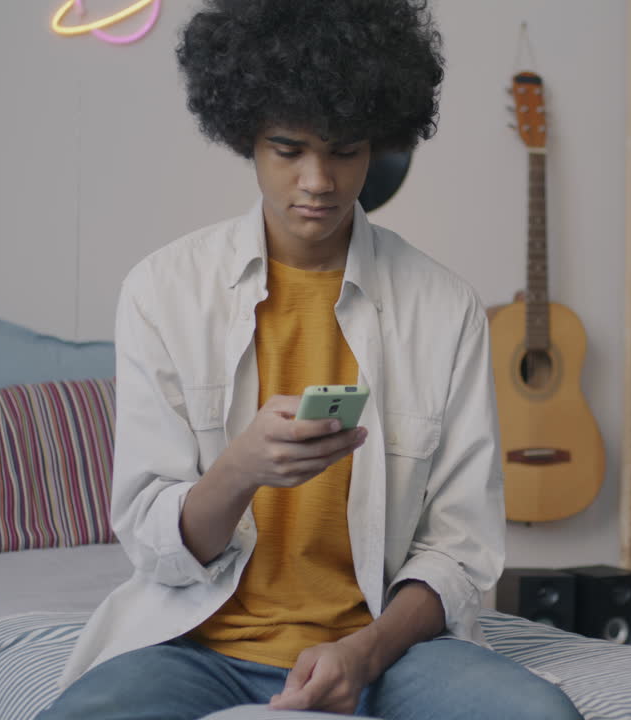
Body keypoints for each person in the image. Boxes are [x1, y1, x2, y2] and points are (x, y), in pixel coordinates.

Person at [38, 1, 582, 719]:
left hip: (384, 654)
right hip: (197, 647)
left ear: (380, 146)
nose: (318, 181)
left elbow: (459, 550)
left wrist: (364, 653)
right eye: (288, 149)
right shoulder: (162, 294)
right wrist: (239, 470)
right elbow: (151, 542)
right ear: (246, 140)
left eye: (345, 149)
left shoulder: (444, 309)